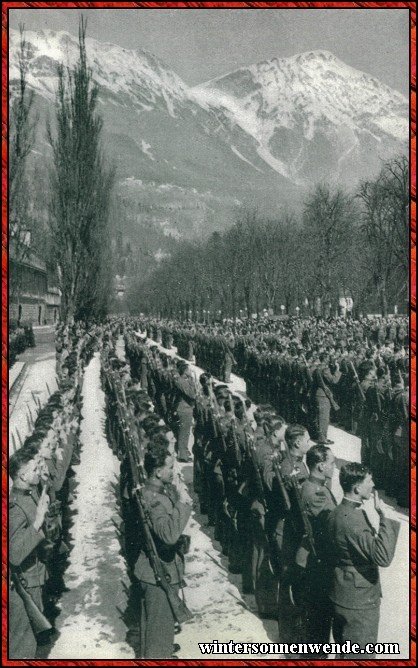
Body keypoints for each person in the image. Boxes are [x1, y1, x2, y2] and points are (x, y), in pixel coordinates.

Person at [327, 462, 400, 659]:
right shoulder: (355, 519)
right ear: (357, 488)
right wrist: (385, 517)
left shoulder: (336, 512)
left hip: (341, 592)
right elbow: (383, 557)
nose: (373, 484)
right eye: (370, 481)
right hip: (359, 601)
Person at [134, 442, 192, 658]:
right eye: (169, 467)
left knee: (160, 632)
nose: (173, 471)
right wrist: (184, 504)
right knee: (158, 639)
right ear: (158, 472)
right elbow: (168, 535)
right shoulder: (155, 500)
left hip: (157, 570)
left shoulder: (153, 491)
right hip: (159, 574)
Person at [9, 447, 51, 659]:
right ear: (23, 475)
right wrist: (37, 523)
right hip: (24, 582)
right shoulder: (15, 508)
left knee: (31, 641)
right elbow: (14, 554)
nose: (38, 470)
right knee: (22, 646)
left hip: (34, 576)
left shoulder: (27, 495)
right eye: (34, 468)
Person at [172, 361, 196, 462]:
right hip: (184, 409)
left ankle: (184, 450)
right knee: (184, 433)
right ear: (185, 371)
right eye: (189, 370)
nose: (190, 371)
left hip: (185, 408)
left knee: (184, 432)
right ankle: (182, 456)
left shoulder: (182, 380)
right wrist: (191, 379)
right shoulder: (182, 381)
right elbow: (192, 394)